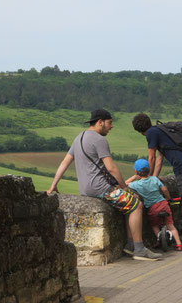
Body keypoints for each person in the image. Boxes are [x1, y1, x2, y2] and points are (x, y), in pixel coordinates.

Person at [47, 109, 162, 261]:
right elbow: (111, 168)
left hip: (85, 188)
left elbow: (65, 162)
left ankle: (129, 245)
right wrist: (125, 188)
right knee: (137, 204)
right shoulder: (99, 140)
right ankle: (139, 249)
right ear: (100, 122)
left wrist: (53, 185)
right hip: (100, 187)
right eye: (110, 123)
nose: (111, 126)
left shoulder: (78, 138)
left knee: (128, 205)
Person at [132, 113, 182, 243]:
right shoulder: (159, 130)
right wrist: (153, 178)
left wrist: (146, 177)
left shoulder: (151, 133)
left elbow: (151, 157)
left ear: (139, 130)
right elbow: (160, 157)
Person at [126, 159, 182, 251]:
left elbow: (124, 184)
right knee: (170, 225)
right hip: (163, 204)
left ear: (136, 171)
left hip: (152, 208)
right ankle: (179, 244)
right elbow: (164, 190)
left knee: (154, 225)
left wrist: (134, 177)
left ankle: (159, 240)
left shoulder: (136, 184)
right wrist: (168, 198)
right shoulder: (154, 179)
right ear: (149, 170)